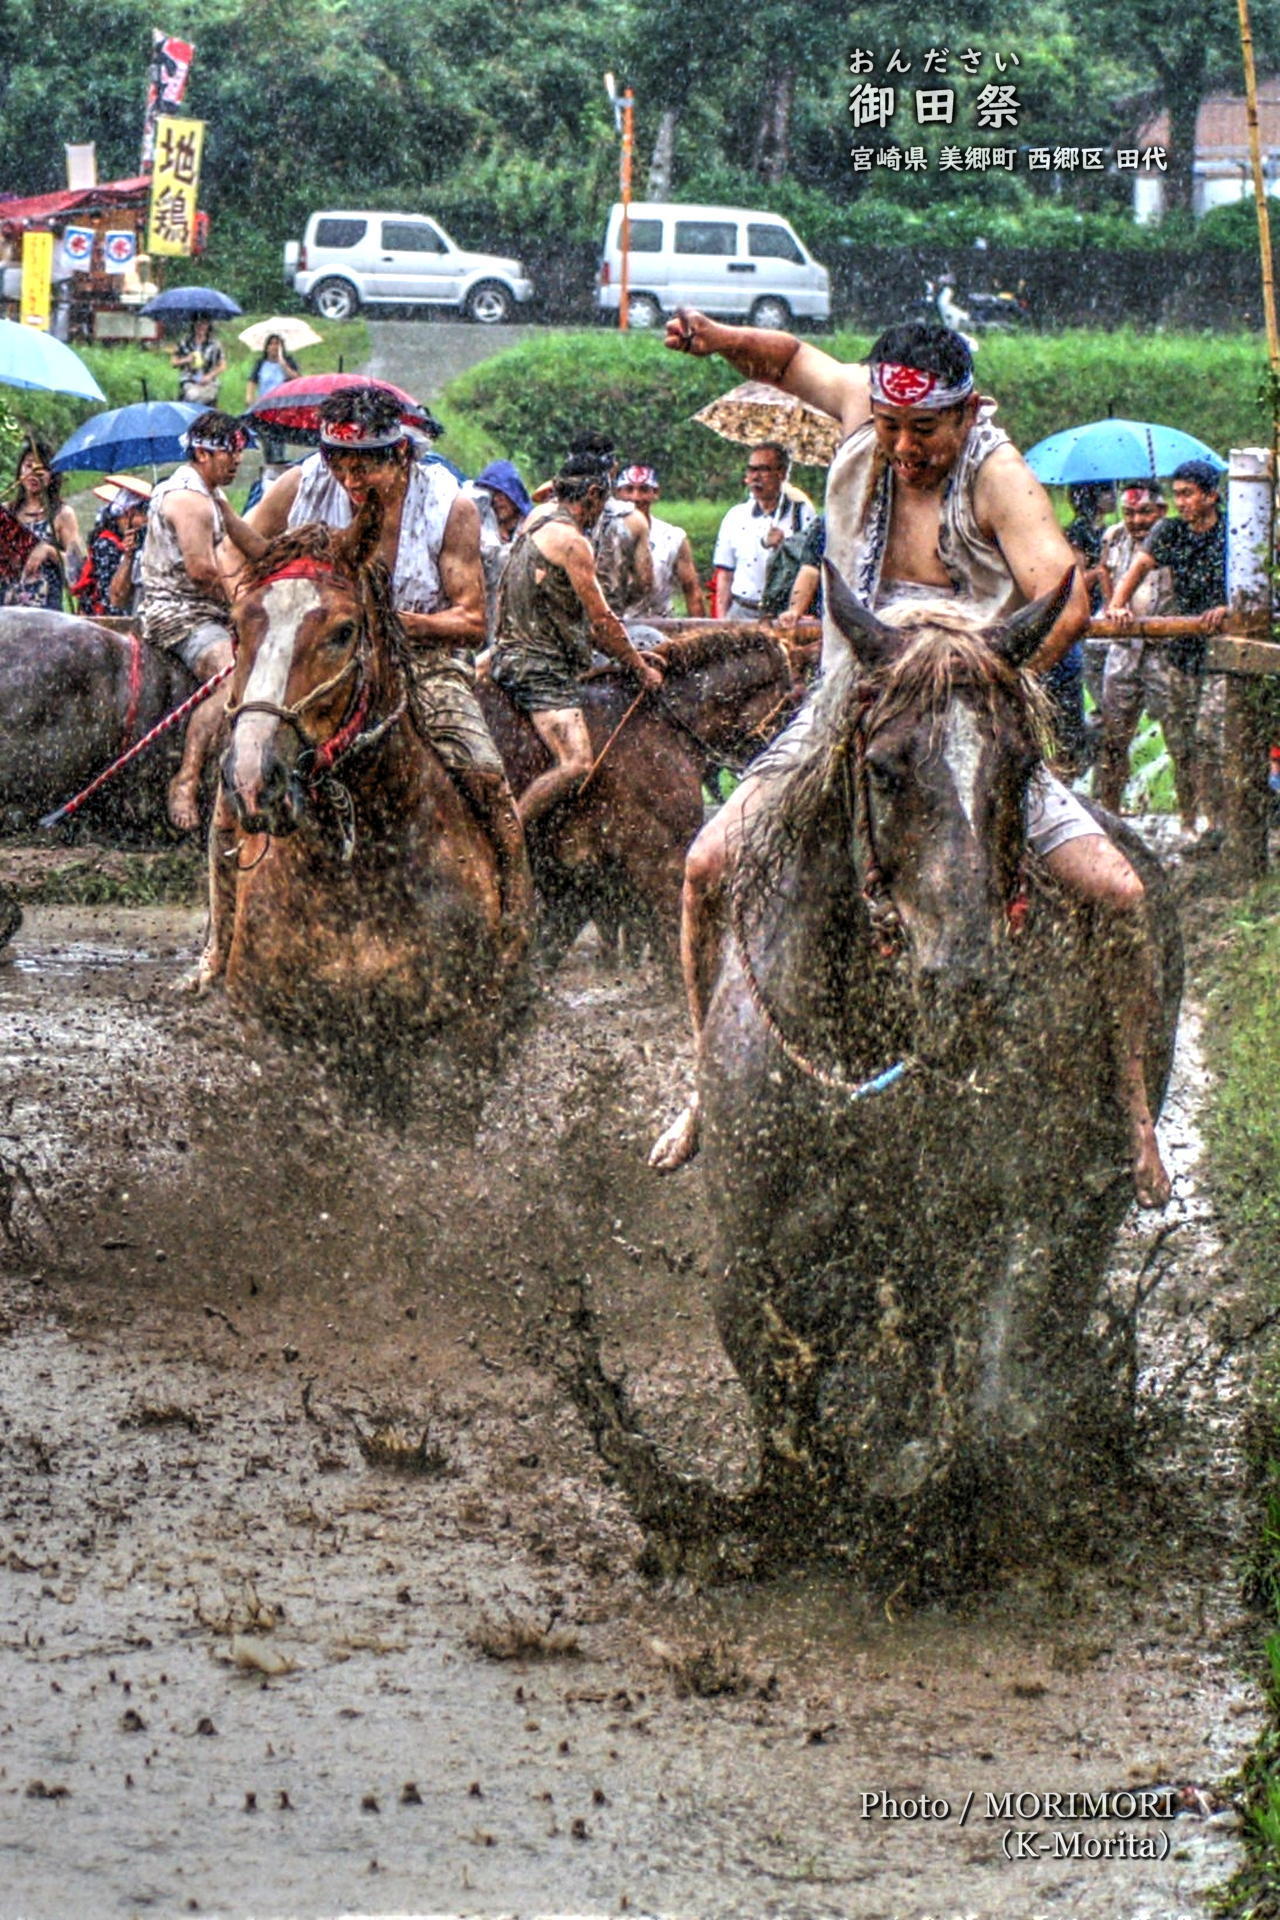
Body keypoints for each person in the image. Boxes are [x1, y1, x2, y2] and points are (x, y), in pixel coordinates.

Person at [651, 309, 1171, 1209]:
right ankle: (704, 1086)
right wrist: (711, 334)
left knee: (1121, 893)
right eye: (889, 429)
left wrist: (980, 683)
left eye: (924, 432)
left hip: (968, 715)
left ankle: (1132, 1114)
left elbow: (1064, 594)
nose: (902, 448)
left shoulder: (999, 475)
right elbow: (783, 358)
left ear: (967, 415)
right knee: (703, 866)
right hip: (848, 703)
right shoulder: (866, 406)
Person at [249, 387, 529, 957]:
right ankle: (221, 938)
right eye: (338, 461)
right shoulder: (300, 486)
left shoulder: (450, 507)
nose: (350, 479)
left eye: (365, 465)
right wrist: (271, 615)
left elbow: (472, 619)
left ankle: (514, 915)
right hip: (318, 660)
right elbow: (247, 552)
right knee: (243, 764)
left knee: (482, 770)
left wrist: (384, 623)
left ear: (401, 454)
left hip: (418, 659)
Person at [489, 446, 665, 828]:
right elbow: (602, 622)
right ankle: (510, 836)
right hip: (538, 669)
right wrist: (638, 667)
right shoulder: (572, 543)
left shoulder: (536, 516)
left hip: (503, 651)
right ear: (593, 496)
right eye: (605, 499)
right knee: (578, 764)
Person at [138, 412, 265, 830]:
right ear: (202, 452)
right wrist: (243, 607)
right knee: (232, 676)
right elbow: (203, 572)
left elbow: (251, 543)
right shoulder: (189, 499)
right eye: (230, 453)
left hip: (203, 609)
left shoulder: (212, 494)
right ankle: (187, 780)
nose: (237, 462)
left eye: (240, 453)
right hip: (176, 612)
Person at [1104, 458, 1228, 836]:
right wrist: (1117, 604)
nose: (1182, 503)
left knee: (1210, 738)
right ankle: (1189, 823)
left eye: (1188, 495)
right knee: (1181, 739)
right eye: (1177, 495)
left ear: (1211, 496)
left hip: (1221, 645)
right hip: (1179, 651)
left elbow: (1252, 588)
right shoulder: (1171, 531)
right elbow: (1138, 568)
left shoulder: (1230, 533)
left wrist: (1228, 609)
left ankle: (1213, 822)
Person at [1094, 486, 1196, 832]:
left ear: (1162, 510)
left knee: (1180, 738)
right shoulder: (1113, 537)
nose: (1137, 521)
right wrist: (1112, 605)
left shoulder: (1175, 536)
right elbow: (1104, 569)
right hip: (1123, 647)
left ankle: (1190, 820)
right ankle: (1108, 818)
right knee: (1113, 737)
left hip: (1164, 649)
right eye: (1130, 513)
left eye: (1145, 513)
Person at [711, 442, 814, 619]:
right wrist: (721, 619)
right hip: (741, 609)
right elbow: (725, 574)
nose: (756, 477)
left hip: (782, 613)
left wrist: (787, 546)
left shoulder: (802, 514)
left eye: (764, 470)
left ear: (781, 473)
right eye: (751, 470)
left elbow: (811, 566)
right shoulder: (735, 517)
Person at [613, 464, 706, 618]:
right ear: (618, 493)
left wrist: (699, 632)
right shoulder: (605, 534)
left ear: (655, 493)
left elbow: (692, 591)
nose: (636, 497)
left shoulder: (672, 537)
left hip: (661, 623)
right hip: (619, 624)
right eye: (629, 489)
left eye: (643, 489)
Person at [2, 438, 83, 610]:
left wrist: (48, 551)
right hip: (7, 611)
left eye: (43, 469)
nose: (34, 473)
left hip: (46, 614)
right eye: (29, 466)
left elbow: (79, 567)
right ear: (20, 471)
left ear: (52, 475)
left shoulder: (62, 514)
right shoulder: (7, 512)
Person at [462, 459, 532, 640]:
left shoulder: (529, 528)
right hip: (481, 604)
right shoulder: (482, 526)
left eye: (503, 494)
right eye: (494, 494)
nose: (498, 500)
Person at [74, 475, 152, 618]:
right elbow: (112, 601)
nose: (146, 520)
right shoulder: (107, 545)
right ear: (124, 516)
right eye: (141, 513)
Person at [245, 332, 301, 467]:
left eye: (278, 344)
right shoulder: (261, 363)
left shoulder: (288, 362)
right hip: (264, 406)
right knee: (267, 439)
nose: (274, 347)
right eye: (272, 344)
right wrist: (250, 398)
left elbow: (297, 379)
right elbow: (252, 382)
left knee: (277, 438)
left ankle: (278, 462)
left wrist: (283, 363)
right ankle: (271, 463)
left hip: (281, 407)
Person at [172, 317, 225, 406]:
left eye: (204, 324)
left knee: (206, 396)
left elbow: (222, 365)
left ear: (208, 326)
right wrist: (186, 359)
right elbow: (174, 362)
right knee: (192, 395)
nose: (201, 327)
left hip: (209, 382)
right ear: (193, 325)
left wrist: (209, 376)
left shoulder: (215, 344)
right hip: (189, 380)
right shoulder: (184, 342)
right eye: (198, 324)